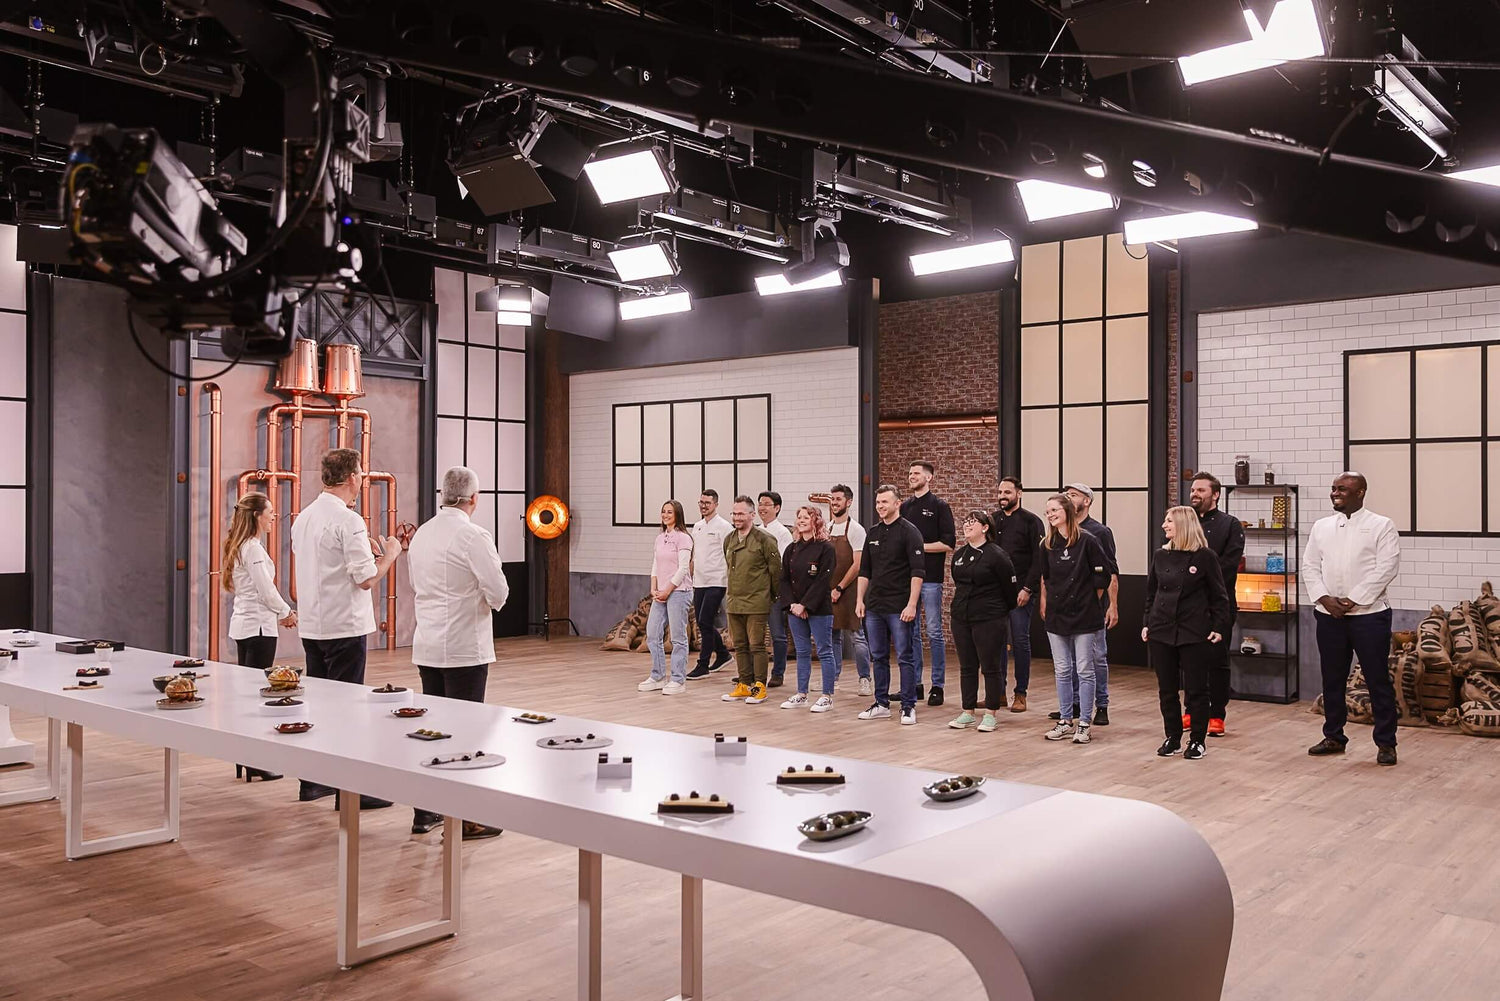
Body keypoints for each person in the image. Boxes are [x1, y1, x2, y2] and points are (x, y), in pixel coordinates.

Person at [292, 447, 402, 808]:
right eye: (361, 474)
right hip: (345, 626)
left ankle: (313, 782)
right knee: (347, 709)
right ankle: (351, 792)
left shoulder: (304, 518)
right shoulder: (349, 520)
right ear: (353, 477)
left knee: (319, 706)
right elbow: (365, 579)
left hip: (313, 626)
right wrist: (390, 555)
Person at [407, 466, 510, 839]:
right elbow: (498, 591)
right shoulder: (472, 535)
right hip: (465, 646)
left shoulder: (422, 533)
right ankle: (467, 817)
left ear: (443, 495)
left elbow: (415, 584)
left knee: (435, 730)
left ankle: (426, 810)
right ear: (474, 499)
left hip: (428, 643)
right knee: (467, 732)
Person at [1303, 472, 1401, 766]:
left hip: (1369, 616)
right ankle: (1334, 736)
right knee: (1332, 679)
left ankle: (1386, 743)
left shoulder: (1381, 525)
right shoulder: (1321, 527)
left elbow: (1387, 567)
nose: (1335, 493)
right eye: (1334, 488)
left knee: (1377, 679)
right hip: (1328, 616)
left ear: (1361, 493)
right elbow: (1309, 566)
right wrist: (1324, 599)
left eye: (1343, 489)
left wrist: (1352, 600)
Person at [1144, 506, 1230, 761]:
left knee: (1196, 690)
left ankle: (1197, 741)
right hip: (1161, 630)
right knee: (1167, 689)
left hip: (1193, 631)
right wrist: (1147, 622)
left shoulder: (1205, 557)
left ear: (1183, 525)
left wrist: (1218, 627)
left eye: (1169, 521)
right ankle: (1172, 737)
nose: (1164, 525)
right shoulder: (1160, 555)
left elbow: (1219, 596)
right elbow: (1151, 594)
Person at [223, 492, 296, 783]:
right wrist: (286, 612)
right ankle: (254, 760)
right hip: (259, 629)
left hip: (246, 627)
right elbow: (266, 590)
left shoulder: (242, 545)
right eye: (270, 512)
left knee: (247, 694)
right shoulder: (252, 548)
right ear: (257, 515)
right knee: (257, 695)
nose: (273, 516)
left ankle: (246, 758)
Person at [1037, 494, 1111, 744]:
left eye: (1054, 510)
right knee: (1062, 670)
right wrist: (1047, 603)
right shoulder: (1047, 544)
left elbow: (1103, 576)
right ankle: (1065, 720)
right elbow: (1046, 577)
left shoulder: (1088, 540)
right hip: (1057, 616)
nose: (1050, 515)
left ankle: (1084, 724)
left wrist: (1089, 599)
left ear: (1067, 511)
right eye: (1048, 511)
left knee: (1085, 669)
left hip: (1085, 615)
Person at [856, 484, 926, 725]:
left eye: (885, 502)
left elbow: (918, 572)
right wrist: (860, 600)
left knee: (905, 656)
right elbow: (864, 571)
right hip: (875, 606)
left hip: (900, 606)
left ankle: (908, 706)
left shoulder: (910, 532)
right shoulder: (873, 533)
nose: (880, 506)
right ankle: (881, 703)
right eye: (878, 502)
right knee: (878, 656)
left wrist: (912, 604)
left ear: (897, 504)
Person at [947, 511, 1019, 733]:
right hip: (962, 617)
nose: (967, 525)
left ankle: (990, 713)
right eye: (965, 522)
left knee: (990, 666)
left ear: (985, 527)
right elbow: (958, 582)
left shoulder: (997, 555)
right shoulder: (959, 555)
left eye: (973, 522)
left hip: (989, 617)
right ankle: (967, 711)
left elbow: (1010, 589)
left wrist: (998, 611)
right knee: (967, 666)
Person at [1057, 483, 1118, 726]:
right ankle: (1073, 704)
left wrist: (1112, 605)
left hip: (1092, 607)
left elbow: (1111, 571)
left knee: (1096, 657)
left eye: (1074, 495)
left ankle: (1101, 704)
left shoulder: (1099, 532)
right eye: (1066, 495)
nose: (1069, 498)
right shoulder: (1060, 531)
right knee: (1069, 660)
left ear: (1087, 501)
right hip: (1066, 607)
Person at [1189, 473, 1245, 737]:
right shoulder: (1184, 522)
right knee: (1190, 660)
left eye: (1201, 490)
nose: (1194, 494)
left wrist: (1196, 575)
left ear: (1216, 494)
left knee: (1217, 660)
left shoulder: (1230, 525)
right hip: (1188, 605)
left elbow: (1229, 565)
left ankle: (1216, 715)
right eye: (1193, 489)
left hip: (1219, 604)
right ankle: (1191, 710)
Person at [901, 461, 955, 706]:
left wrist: (917, 547)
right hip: (908, 579)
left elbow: (948, 543)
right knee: (911, 632)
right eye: (910, 473)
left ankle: (937, 686)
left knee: (934, 632)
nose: (911, 476)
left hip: (931, 579)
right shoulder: (905, 507)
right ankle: (915, 685)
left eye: (916, 473)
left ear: (929, 477)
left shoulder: (940, 506)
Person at [720, 496, 782, 706]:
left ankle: (759, 686)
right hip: (734, 601)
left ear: (752, 515)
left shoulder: (764, 539)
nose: (737, 518)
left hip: (757, 601)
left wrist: (771, 596)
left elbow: (776, 571)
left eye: (741, 514)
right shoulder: (729, 539)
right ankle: (744, 683)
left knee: (756, 645)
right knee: (739, 645)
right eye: (734, 513)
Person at [991, 476, 1044, 713]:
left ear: (1019, 493)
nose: (1002, 496)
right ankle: (998, 693)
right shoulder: (993, 520)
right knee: (997, 642)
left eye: (1007, 492)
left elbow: (1039, 559)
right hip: (996, 593)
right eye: (1000, 492)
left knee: (1020, 641)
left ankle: (1020, 693)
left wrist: (1028, 589)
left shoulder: (1032, 522)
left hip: (1022, 591)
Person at [778, 505, 838, 712]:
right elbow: (784, 579)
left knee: (824, 651)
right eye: (799, 517)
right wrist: (793, 605)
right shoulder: (791, 549)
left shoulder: (826, 548)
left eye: (806, 517)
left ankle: (827, 696)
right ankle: (801, 693)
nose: (801, 520)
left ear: (816, 521)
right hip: (795, 609)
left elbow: (823, 581)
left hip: (818, 609)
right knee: (802, 651)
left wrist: (805, 604)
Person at [638, 500, 694, 696]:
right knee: (653, 634)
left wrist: (668, 590)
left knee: (678, 637)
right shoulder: (660, 538)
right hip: (660, 592)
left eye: (670, 512)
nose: (666, 515)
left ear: (678, 514)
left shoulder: (684, 538)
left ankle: (678, 679)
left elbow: (683, 568)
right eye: (663, 511)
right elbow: (656, 564)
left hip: (679, 591)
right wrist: (653, 588)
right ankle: (658, 676)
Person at [827, 484, 872, 697]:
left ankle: (865, 679)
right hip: (829, 591)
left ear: (849, 502)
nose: (834, 503)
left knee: (857, 637)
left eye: (838, 499)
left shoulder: (856, 530)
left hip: (850, 591)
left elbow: (858, 564)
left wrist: (840, 587)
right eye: (832, 499)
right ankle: (832, 678)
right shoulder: (827, 528)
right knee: (832, 635)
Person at [685, 490, 734, 681]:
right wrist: (688, 575)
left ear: (716, 504)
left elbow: (730, 555)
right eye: (701, 502)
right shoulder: (697, 527)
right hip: (699, 581)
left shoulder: (724, 527)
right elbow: (694, 555)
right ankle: (722, 654)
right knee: (702, 621)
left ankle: (703, 664)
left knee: (705, 621)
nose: (703, 506)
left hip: (717, 580)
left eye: (707, 503)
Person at [757, 491, 795, 688]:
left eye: (767, 504)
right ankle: (754, 673)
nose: (762, 508)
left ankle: (778, 672)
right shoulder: (755, 530)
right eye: (760, 504)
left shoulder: (782, 533)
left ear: (777, 508)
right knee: (754, 634)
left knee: (777, 634)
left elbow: (783, 563)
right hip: (756, 590)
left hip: (775, 589)